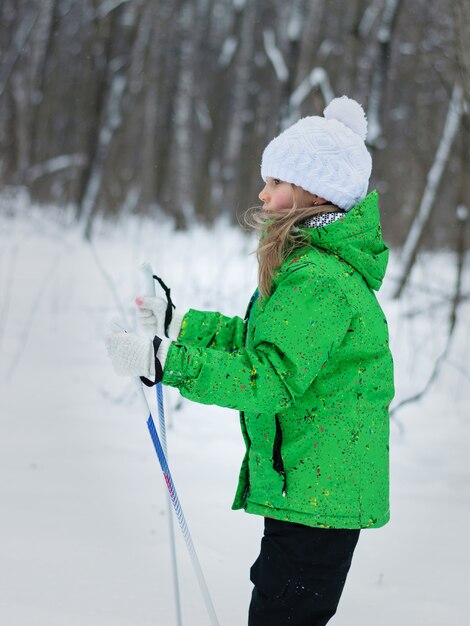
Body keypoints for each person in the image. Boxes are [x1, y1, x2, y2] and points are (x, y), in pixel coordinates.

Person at [105, 95, 395, 626]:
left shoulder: (321, 282)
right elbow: (257, 341)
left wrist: (171, 362)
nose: (262, 193)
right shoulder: (313, 271)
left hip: (317, 498)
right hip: (310, 491)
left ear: (313, 192)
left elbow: (268, 379)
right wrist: (179, 325)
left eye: (276, 182)